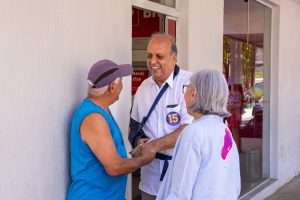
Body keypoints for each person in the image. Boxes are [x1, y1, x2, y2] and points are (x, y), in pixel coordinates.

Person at [67, 59, 156, 200]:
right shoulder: (93, 118)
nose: (122, 86)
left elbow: (107, 155)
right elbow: (114, 167)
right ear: (111, 87)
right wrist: (145, 159)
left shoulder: (101, 110)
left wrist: (135, 152)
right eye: (121, 82)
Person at [156, 69, 241, 200]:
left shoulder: (194, 132)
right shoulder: (224, 130)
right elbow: (234, 184)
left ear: (194, 93)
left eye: (186, 88)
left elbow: (180, 193)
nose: (184, 93)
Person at [129, 33, 193, 200]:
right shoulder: (143, 87)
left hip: (181, 181)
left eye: (159, 56)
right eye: (149, 55)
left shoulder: (190, 83)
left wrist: (155, 145)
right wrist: (138, 141)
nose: (152, 61)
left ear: (174, 58)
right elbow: (135, 126)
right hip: (149, 181)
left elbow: (190, 129)